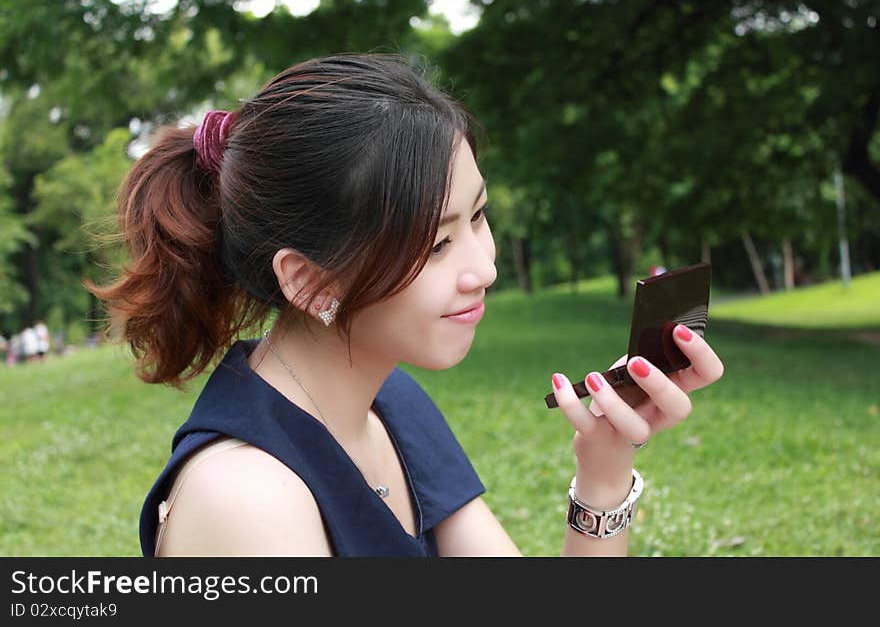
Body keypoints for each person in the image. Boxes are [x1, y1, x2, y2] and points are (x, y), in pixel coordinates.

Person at [86, 53, 724, 557]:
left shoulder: (390, 404)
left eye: (479, 217)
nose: (485, 268)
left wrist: (605, 470)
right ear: (307, 281)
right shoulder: (248, 498)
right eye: (437, 242)